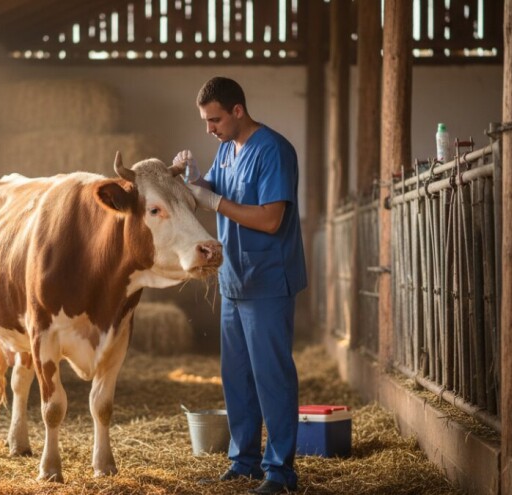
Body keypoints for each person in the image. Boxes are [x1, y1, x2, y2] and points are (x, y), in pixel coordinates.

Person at [175, 76, 307, 495]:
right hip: (234, 278)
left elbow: (270, 219)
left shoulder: (273, 150)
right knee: (236, 377)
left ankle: (281, 473)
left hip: (268, 279)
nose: (208, 128)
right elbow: (212, 190)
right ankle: (244, 461)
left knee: (272, 376)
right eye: (205, 121)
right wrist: (196, 180)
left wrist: (212, 201)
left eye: (214, 119)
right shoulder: (227, 149)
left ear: (237, 111)